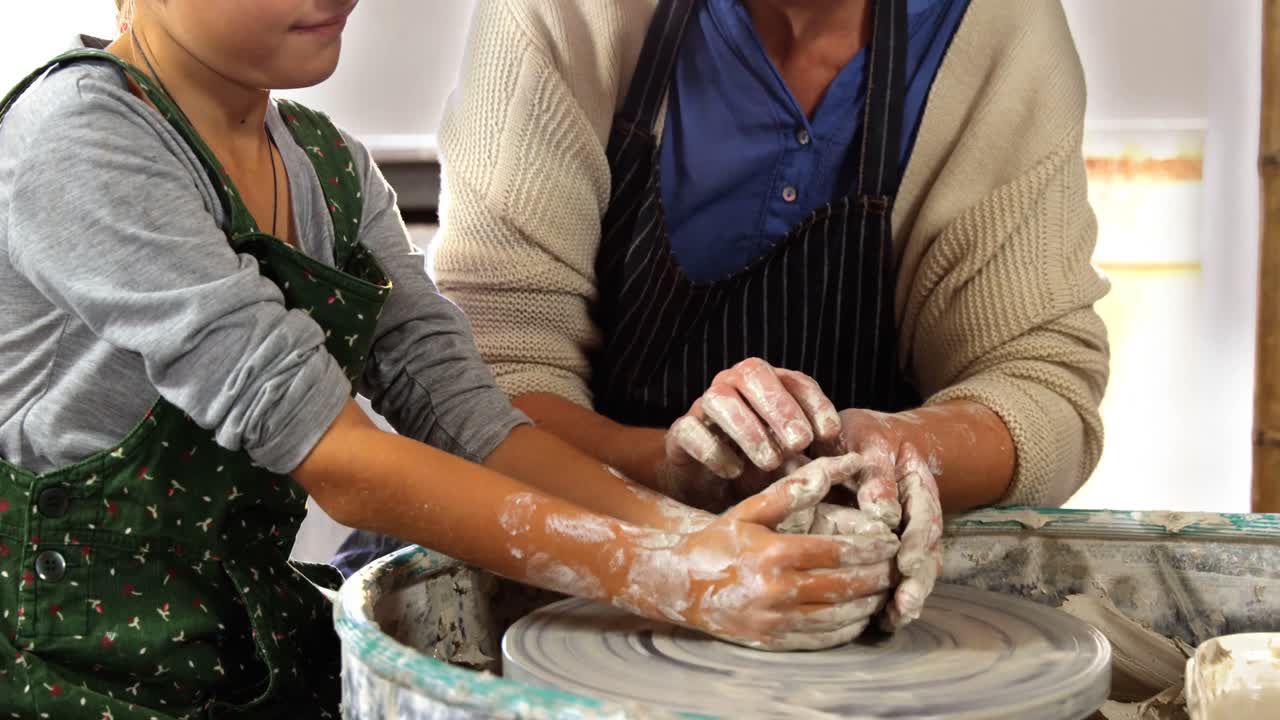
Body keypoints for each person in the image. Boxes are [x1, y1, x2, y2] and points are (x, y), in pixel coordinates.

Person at [0, 1, 909, 716]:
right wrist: (670, 578)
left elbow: (474, 425)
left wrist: (697, 539)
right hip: (70, 662)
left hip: (243, 646)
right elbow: (341, 464)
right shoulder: (80, 139)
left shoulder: (330, 167)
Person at [338, 0, 1111, 610]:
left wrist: (897, 449)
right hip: (571, 562)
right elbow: (479, 392)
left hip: (851, 592)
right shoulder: (569, 12)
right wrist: (676, 477)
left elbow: (1041, 384)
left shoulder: (995, 28)